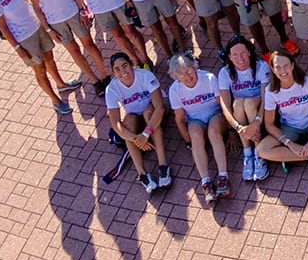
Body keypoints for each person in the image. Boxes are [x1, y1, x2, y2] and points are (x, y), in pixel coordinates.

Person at [103, 52, 171, 194]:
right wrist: (137, 139)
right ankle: (142, 174)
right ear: (113, 73)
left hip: (155, 115)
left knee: (148, 112)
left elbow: (160, 108)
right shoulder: (111, 89)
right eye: (117, 69)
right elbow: (116, 124)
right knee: (128, 121)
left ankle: (163, 165)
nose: (123, 72)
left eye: (125, 66)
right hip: (137, 122)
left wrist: (145, 134)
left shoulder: (145, 76)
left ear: (132, 64)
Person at [167, 53, 231, 204]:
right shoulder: (174, 90)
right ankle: (206, 182)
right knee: (195, 136)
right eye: (182, 74)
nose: (187, 76)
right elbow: (179, 119)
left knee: (213, 132)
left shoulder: (209, 78)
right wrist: (187, 140)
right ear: (176, 77)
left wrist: (231, 130)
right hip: (195, 119)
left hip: (215, 114)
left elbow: (223, 105)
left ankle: (223, 177)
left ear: (194, 68)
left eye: (189, 71)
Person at [216, 35, 270, 183]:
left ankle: (259, 152)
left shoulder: (261, 66)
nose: (240, 58)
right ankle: (247, 152)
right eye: (235, 54)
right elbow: (225, 106)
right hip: (241, 115)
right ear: (229, 57)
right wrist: (238, 128)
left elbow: (266, 98)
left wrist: (256, 123)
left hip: (260, 110)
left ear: (250, 52)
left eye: (243, 53)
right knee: (237, 104)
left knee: (247, 103)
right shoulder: (224, 73)